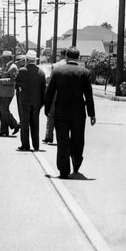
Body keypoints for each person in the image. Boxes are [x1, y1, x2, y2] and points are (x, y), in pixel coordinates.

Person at [44, 46, 96, 179]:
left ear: (66, 57)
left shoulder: (58, 71)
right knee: (78, 140)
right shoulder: (85, 73)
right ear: (78, 58)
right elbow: (88, 96)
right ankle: (76, 163)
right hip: (78, 113)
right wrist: (92, 114)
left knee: (62, 141)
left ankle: (63, 170)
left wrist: (47, 108)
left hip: (61, 112)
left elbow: (49, 92)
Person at [15, 50, 46, 151]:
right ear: (35, 60)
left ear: (27, 60)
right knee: (35, 124)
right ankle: (36, 145)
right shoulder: (41, 73)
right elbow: (43, 90)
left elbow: (17, 83)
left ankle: (25, 145)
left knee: (25, 124)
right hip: (37, 102)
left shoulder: (22, 70)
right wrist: (42, 103)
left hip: (25, 101)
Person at [43, 48, 67, 144]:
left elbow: (51, 81)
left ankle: (49, 136)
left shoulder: (56, 66)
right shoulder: (70, 65)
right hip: (67, 93)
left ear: (61, 55)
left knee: (51, 114)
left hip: (56, 92)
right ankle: (63, 137)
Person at [0, 50, 20, 137]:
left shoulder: (13, 67)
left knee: (4, 111)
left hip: (7, 93)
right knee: (2, 112)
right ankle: (4, 130)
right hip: (3, 92)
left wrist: (1, 81)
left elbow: (13, 80)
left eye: (4, 58)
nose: (3, 60)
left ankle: (15, 124)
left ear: (8, 58)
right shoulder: (6, 66)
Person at [13, 54, 27, 132]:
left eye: (18, 61)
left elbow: (18, 81)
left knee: (22, 108)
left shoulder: (23, 70)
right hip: (19, 91)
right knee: (19, 107)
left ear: (23, 61)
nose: (17, 62)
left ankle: (23, 122)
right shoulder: (19, 69)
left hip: (23, 92)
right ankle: (22, 121)